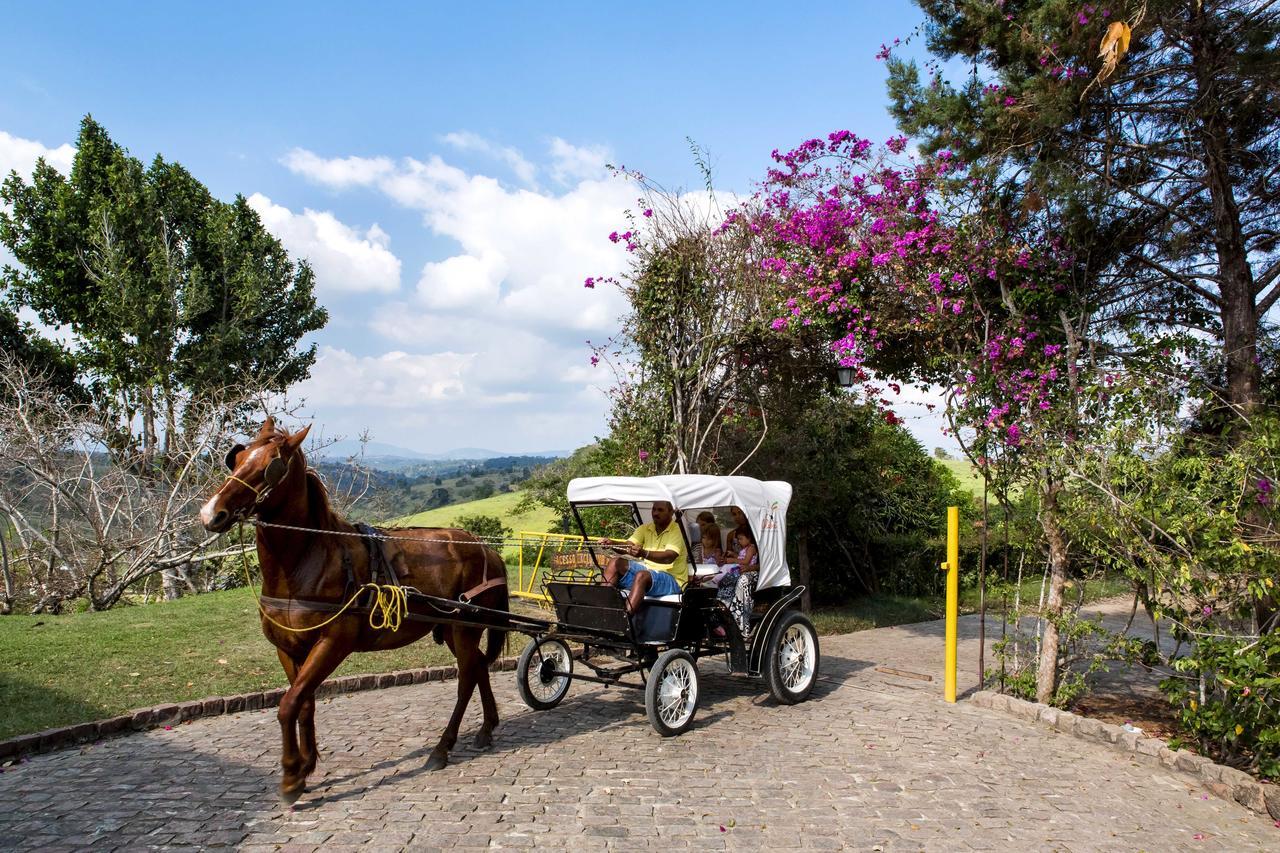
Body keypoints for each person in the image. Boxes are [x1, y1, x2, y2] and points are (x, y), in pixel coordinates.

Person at [598, 500, 688, 614]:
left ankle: (624, 620)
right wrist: (612, 543)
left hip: (673, 580)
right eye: (654, 509)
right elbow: (628, 546)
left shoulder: (677, 530)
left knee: (642, 575)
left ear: (671, 512)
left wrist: (644, 553)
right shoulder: (645, 528)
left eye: (660, 510)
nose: (655, 513)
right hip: (650, 574)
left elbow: (668, 557)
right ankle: (602, 610)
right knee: (615, 562)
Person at [717, 528, 759, 638]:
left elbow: (745, 561)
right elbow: (741, 557)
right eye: (738, 539)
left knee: (731, 579)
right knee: (726, 580)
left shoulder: (751, 548)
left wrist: (733, 560)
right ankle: (723, 605)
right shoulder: (744, 549)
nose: (739, 542)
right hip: (739, 570)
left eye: (741, 539)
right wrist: (734, 555)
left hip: (745, 570)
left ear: (749, 538)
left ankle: (735, 616)